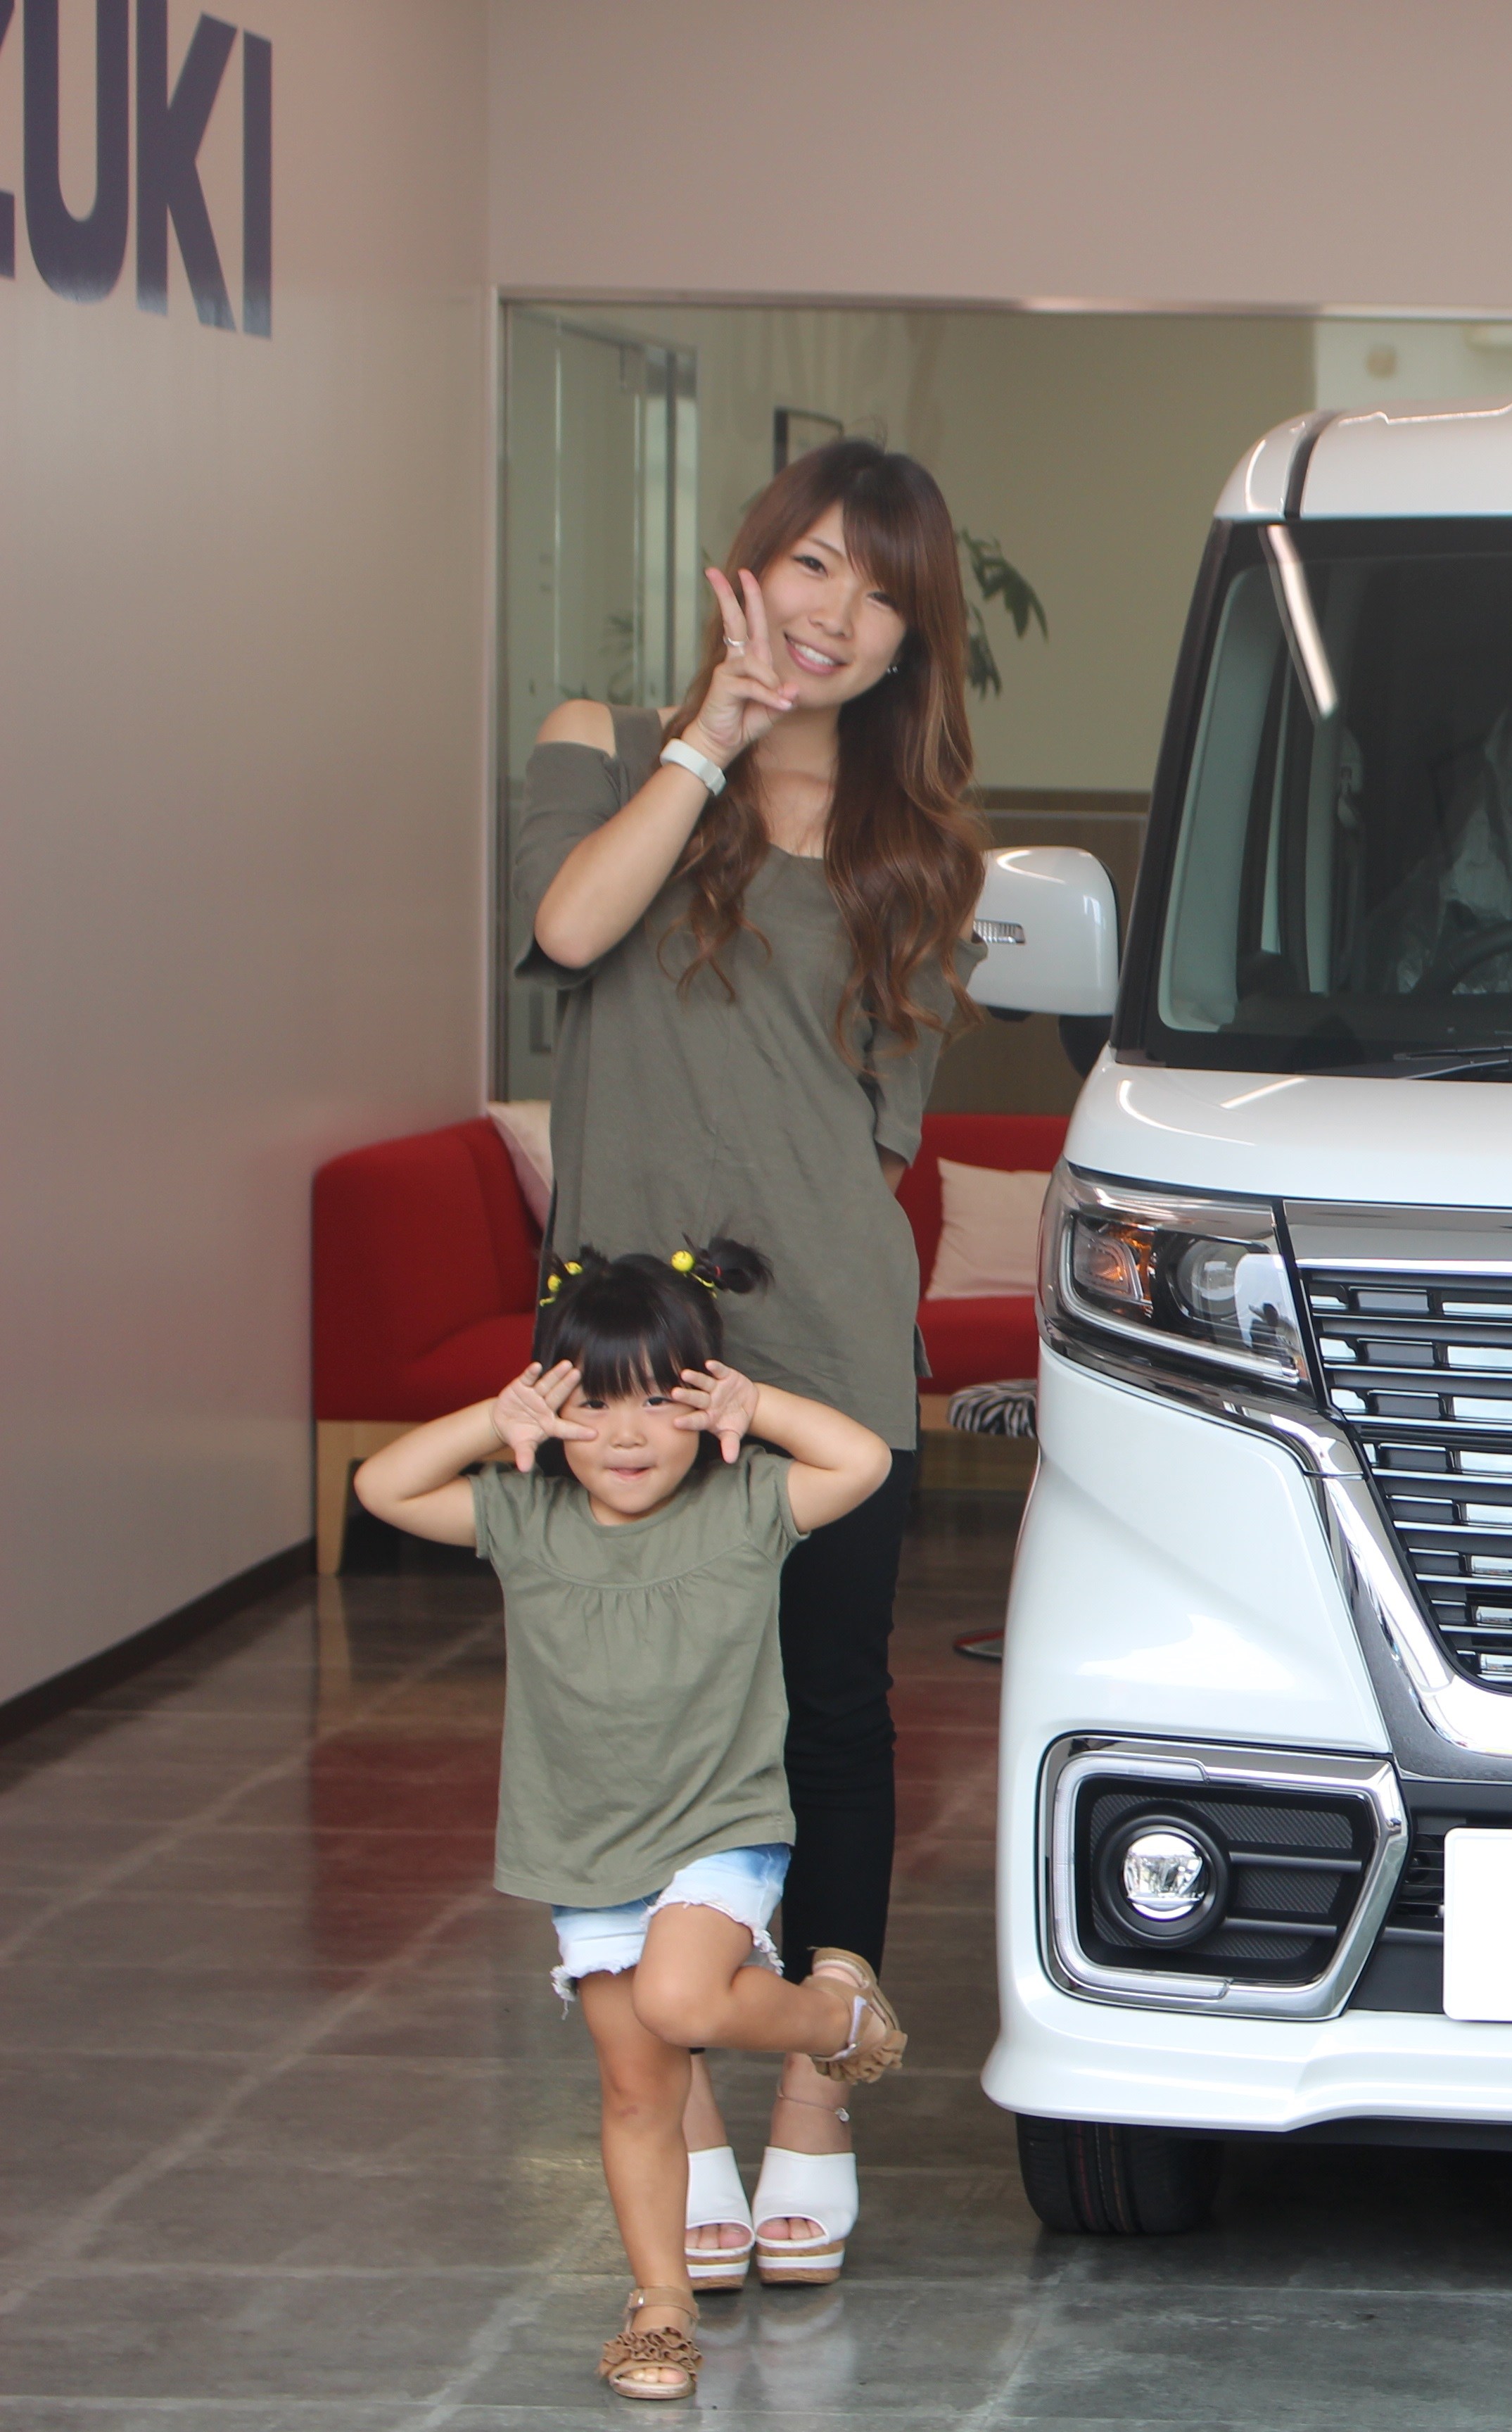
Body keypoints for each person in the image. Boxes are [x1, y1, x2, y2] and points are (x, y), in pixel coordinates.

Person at [514, 437, 985, 2284]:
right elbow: (570, 928)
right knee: (635, 1724)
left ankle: (815, 2090)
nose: (835, 614)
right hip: (625, 1350)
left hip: (826, 1331)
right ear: (751, 564)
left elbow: (876, 1136)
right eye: (813, 565)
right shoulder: (597, 745)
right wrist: (708, 736)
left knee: (829, 1717)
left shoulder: (918, 852)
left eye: (880, 591)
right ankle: (682, 2105)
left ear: (913, 638)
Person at [353, 1246, 911, 2403]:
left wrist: (759, 1408)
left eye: (660, 1402)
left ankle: (830, 2014)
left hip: (722, 1820)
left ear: (704, 1405)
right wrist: (495, 1420)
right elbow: (384, 1489)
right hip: (587, 1845)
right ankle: (660, 2305)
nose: (625, 1435)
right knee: (635, 2091)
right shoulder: (525, 1518)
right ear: (550, 1410)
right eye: (592, 1404)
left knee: (681, 2000)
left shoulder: (748, 1506)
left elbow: (859, 1460)